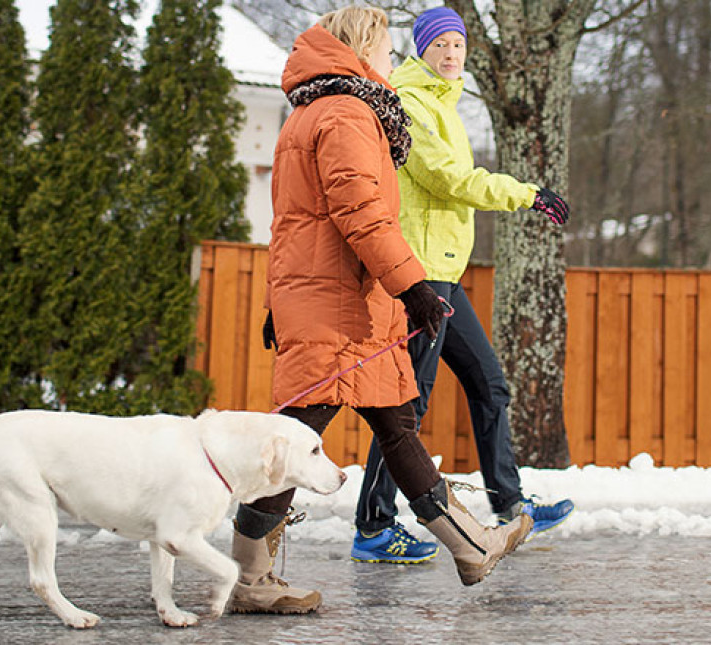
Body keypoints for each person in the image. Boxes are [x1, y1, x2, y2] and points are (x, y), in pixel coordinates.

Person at [235, 6, 533, 615]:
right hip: (337, 305)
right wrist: (415, 287)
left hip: (333, 300)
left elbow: (289, 226)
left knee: (396, 425)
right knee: (293, 442)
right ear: (363, 48)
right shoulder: (346, 113)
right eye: (389, 49)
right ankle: (249, 580)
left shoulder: (311, 112)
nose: (393, 61)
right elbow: (362, 216)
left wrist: (278, 302)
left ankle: (471, 546)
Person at [349, 6, 574, 566]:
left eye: (459, 45)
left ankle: (509, 501)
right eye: (441, 44)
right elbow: (448, 179)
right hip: (420, 276)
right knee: (408, 407)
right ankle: (372, 526)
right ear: (420, 50)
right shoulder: (411, 102)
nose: (452, 54)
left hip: (446, 272)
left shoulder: (446, 103)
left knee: (490, 386)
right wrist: (525, 194)